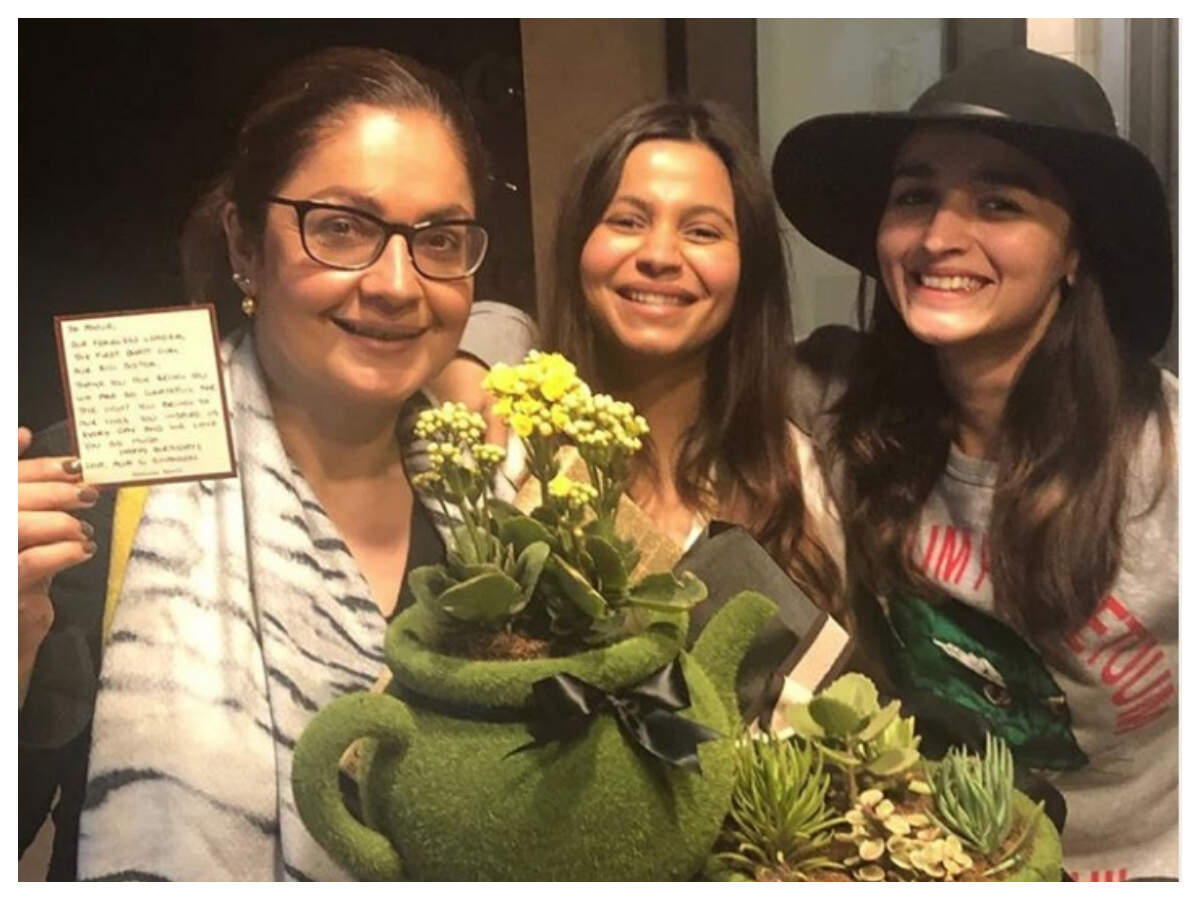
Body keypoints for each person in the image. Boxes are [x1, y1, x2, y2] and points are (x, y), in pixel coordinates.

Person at [17, 46, 522, 881]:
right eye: (342, 228)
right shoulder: (106, 485)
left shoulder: (501, 507)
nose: (398, 284)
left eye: (438, 239)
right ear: (246, 245)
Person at [771, 47, 1177, 880]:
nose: (938, 238)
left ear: (1074, 252)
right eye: (915, 196)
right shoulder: (840, 401)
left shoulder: (1169, 460)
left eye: (999, 202)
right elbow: (676, 364)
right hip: (920, 862)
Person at [444, 99, 849, 723]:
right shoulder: (508, 455)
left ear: (748, 266)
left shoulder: (803, 477)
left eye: (703, 231)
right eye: (628, 220)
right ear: (580, 245)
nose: (660, 254)